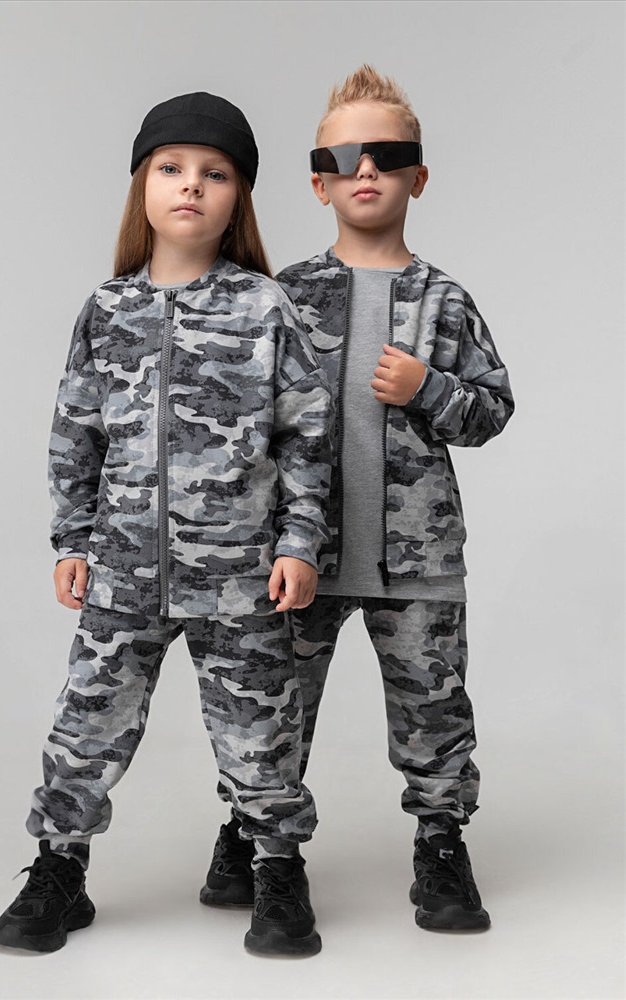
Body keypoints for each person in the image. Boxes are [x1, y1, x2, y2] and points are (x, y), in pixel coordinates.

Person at [0, 92, 333, 958]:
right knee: (86, 723)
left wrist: (298, 544)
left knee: (261, 732)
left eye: (215, 174)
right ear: (142, 185)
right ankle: (58, 869)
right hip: (123, 572)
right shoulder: (107, 310)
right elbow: (77, 434)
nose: (191, 187)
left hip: (241, 576)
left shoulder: (265, 308)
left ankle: (276, 866)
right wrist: (72, 541)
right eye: (172, 169)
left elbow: (307, 438)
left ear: (238, 197)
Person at [200, 66, 514, 932]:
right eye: (343, 157)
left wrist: (428, 389)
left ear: (419, 175)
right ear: (319, 183)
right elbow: (245, 417)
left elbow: (492, 410)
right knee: (271, 706)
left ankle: (441, 844)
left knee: (433, 709)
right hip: (298, 556)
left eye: (386, 154)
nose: (365, 169)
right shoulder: (284, 296)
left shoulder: (444, 300)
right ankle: (251, 830)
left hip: (417, 559)